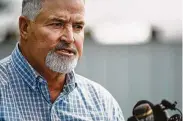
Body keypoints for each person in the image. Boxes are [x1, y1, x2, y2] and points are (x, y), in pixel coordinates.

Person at [0, 0, 125, 120]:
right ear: (25, 28)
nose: (70, 38)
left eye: (78, 26)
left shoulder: (103, 105)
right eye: (57, 24)